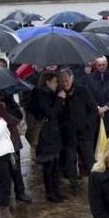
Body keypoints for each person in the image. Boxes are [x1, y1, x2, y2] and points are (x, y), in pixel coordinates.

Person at [28, 71, 68, 202]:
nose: (57, 85)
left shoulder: (51, 94)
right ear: (48, 82)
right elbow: (50, 113)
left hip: (54, 133)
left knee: (55, 164)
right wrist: (60, 99)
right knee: (49, 165)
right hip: (46, 134)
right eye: (55, 82)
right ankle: (50, 192)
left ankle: (56, 189)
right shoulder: (40, 94)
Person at [60, 68, 99, 188]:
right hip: (68, 134)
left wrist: (87, 124)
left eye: (67, 80)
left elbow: (93, 109)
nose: (65, 83)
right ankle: (74, 185)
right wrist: (61, 99)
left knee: (89, 159)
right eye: (62, 81)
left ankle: (96, 182)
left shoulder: (82, 90)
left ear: (72, 78)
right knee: (70, 160)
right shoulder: (59, 94)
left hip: (84, 132)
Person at [85, 57, 109, 136]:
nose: (101, 67)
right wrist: (97, 107)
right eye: (99, 65)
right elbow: (88, 95)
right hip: (95, 117)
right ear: (96, 65)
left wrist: (105, 107)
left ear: (107, 64)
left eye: (103, 65)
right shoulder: (89, 78)